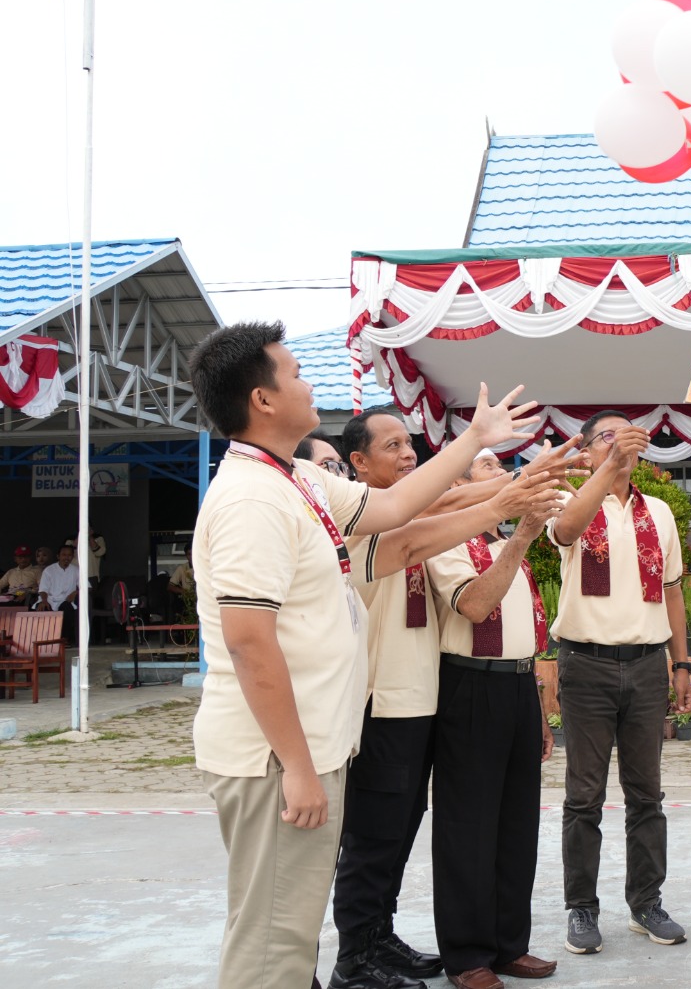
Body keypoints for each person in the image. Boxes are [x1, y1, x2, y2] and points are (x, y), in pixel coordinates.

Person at [187, 320, 541, 989]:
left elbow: (401, 515)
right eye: (293, 374)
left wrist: (478, 444)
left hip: (310, 746)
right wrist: (296, 766)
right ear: (262, 400)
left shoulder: (294, 480)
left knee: (287, 936)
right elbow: (248, 640)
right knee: (271, 945)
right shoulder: (252, 499)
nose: (308, 382)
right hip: (274, 755)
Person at [329, 410, 568, 989]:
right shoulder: (367, 516)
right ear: (357, 464)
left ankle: (407, 943)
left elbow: (438, 506)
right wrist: (509, 495)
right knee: (400, 836)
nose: (410, 455)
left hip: (430, 696)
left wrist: (526, 481)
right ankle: (382, 954)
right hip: (387, 699)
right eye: (395, 446)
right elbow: (430, 525)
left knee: (493, 826)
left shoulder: (448, 520)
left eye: (411, 445)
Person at [546, 412, 691, 956]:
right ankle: (581, 908)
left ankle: (646, 902)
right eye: (604, 436)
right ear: (585, 453)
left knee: (646, 794)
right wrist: (605, 470)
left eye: (625, 435)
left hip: (648, 664)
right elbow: (565, 533)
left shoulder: (658, 512)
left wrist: (681, 663)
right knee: (584, 795)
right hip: (586, 665)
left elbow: (673, 591)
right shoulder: (571, 499)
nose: (618, 442)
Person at [424, 450, 560, 989]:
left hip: (517, 688)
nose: (506, 476)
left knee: (517, 823)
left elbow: (520, 634)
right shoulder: (448, 541)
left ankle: (509, 944)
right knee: (467, 826)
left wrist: (541, 710)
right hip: (470, 686)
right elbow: (476, 608)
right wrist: (524, 536)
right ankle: (466, 954)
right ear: (458, 483)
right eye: (488, 468)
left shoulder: (505, 544)